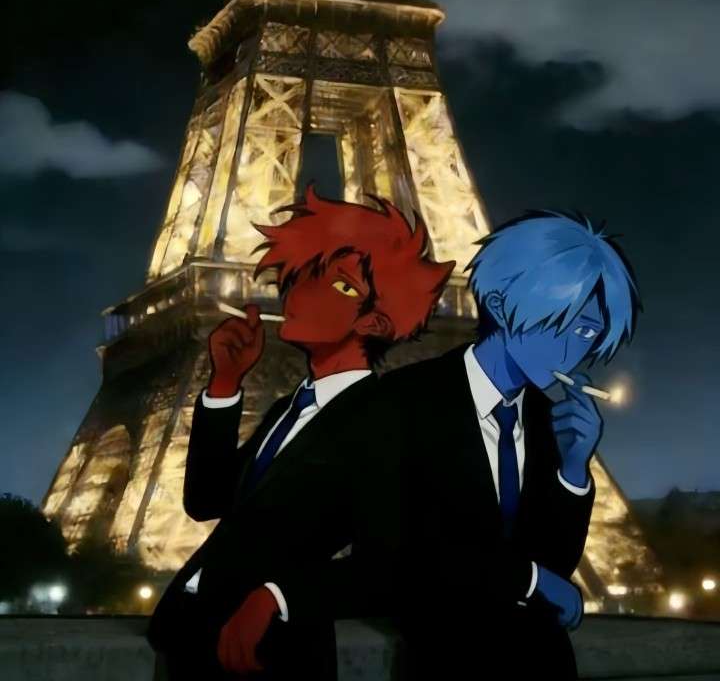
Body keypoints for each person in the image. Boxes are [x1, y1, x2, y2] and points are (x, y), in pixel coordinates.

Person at [146, 184, 454, 680]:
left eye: (340, 286)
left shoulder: (386, 423)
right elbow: (206, 502)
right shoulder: (287, 410)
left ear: (375, 323)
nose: (301, 292)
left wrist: (277, 597)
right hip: (189, 639)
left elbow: (388, 566)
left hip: (271, 654)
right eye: (307, 273)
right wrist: (224, 386)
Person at [375, 211, 641, 680]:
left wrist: (573, 470)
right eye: (557, 322)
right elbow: (401, 549)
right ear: (498, 306)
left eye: (586, 333)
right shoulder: (400, 403)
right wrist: (529, 580)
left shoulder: (546, 420)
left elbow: (556, 562)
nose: (570, 352)